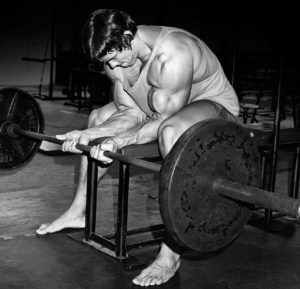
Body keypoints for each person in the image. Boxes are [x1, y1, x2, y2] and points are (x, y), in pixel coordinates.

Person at [36, 9, 239, 286]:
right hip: (161, 108)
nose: (114, 69)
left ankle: (172, 252)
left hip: (213, 107)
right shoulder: (115, 55)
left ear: (129, 37)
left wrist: (119, 141)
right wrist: (87, 134)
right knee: (97, 117)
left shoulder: (173, 55)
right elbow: (130, 112)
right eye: (108, 63)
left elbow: (163, 120)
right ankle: (78, 212)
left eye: (116, 60)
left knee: (170, 133)